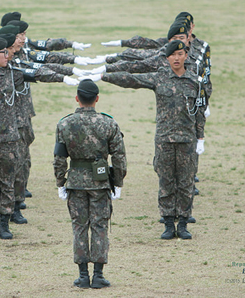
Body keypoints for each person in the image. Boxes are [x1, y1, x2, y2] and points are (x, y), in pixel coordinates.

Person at [82, 40, 205, 240]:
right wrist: (103, 76)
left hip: (187, 140)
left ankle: (182, 223)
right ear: (167, 58)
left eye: (180, 54)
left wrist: (200, 136)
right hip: (164, 139)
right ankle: (167, 222)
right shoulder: (159, 78)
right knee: (166, 181)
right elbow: (132, 80)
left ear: (186, 56)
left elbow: (200, 111)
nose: (176, 58)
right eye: (172, 55)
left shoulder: (194, 81)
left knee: (185, 182)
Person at [0, 37, 79, 240]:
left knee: (7, 182)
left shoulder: (14, 74)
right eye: (3, 53)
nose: (8, 56)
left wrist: (68, 76)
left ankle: (4, 223)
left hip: (9, 139)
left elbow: (39, 73)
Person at [53, 79, 127, 288]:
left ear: (77, 98)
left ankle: (83, 275)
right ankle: (98, 275)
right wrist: (118, 182)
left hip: (75, 183)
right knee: (100, 226)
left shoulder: (65, 123)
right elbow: (119, 156)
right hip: (100, 182)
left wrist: (60, 182)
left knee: (79, 227)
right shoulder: (109, 123)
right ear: (97, 99)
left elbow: (59, 158)